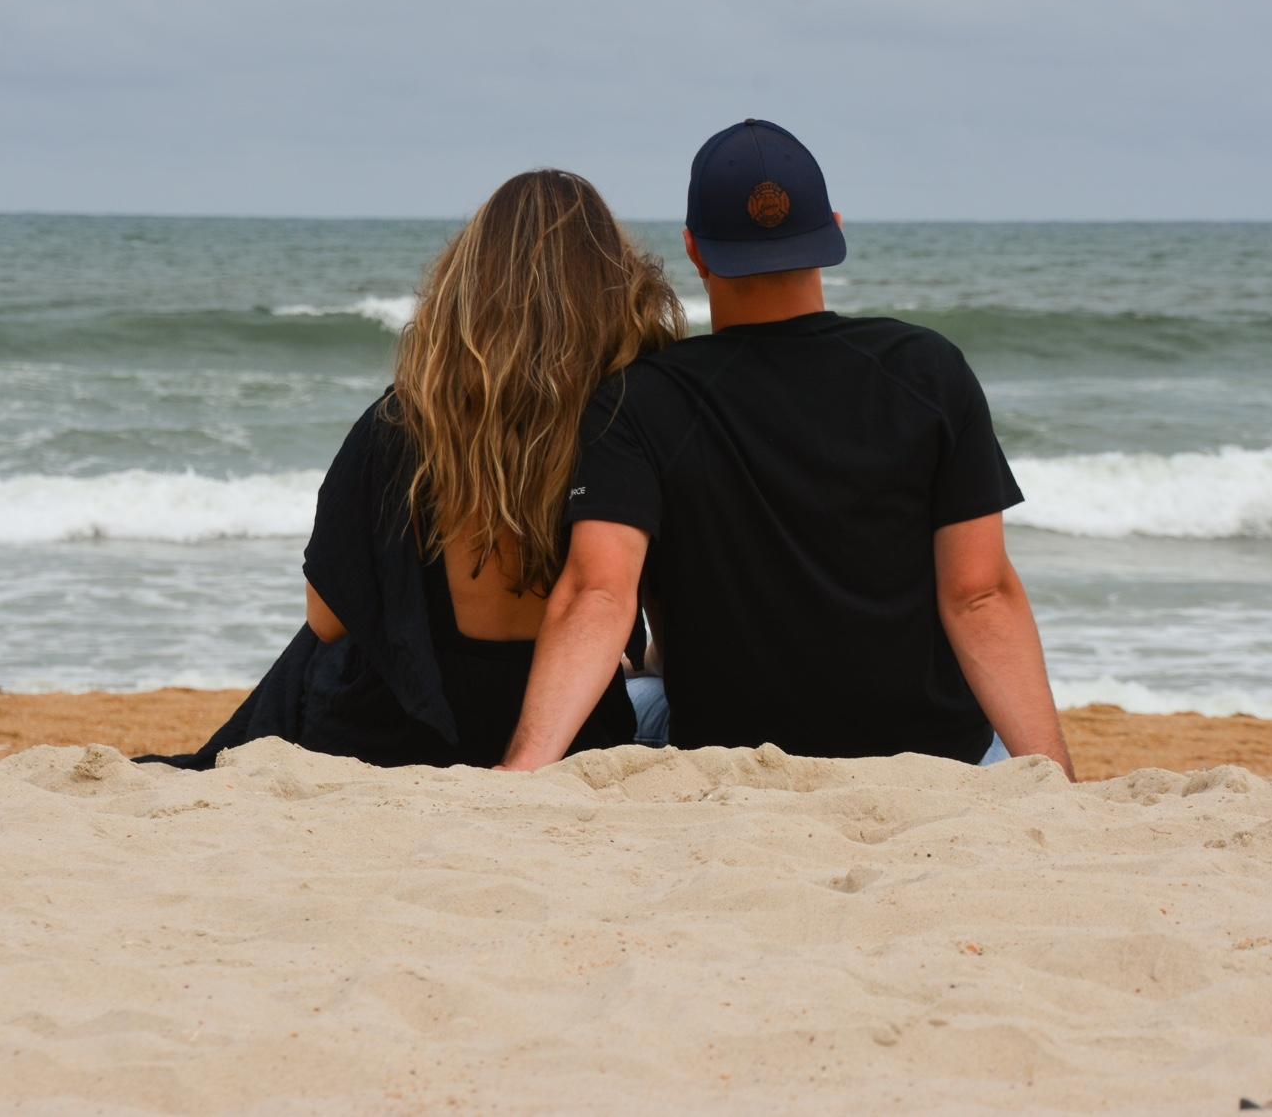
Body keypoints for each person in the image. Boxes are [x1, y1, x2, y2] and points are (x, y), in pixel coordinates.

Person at [499, 120, 1075, 778]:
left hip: (737, 763)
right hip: (936, 754)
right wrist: (1056, 780)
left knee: (636, 695)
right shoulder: (927, 369)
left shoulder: (640, 398)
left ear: (694, 249)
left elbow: (599, 592)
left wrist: (523, 771)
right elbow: (980, 595)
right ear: (834, 231)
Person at [139, 170, 685, 770]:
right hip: (573, 729)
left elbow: (326, 619)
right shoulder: (629, 426)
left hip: (401, 734)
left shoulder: (402, 422)